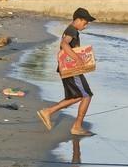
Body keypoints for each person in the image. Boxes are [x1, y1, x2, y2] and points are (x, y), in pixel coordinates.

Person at [37, 8, 96, 136]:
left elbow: (66, 47)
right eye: (85, 23)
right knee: (85, 95)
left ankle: (53, 114)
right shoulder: (72, 30)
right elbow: (64, 44)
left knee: (79, 96)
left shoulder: (71, 30)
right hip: (71, 69)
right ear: (78, 20)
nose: (86, 26)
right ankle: (72, 124)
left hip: (70, 68)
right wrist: (78, 58)